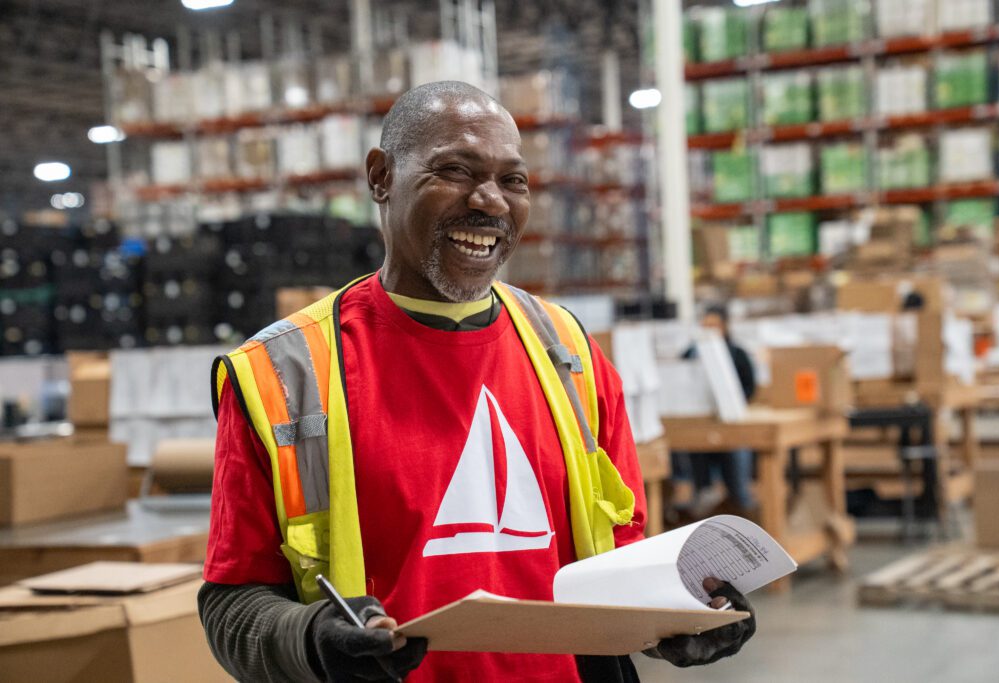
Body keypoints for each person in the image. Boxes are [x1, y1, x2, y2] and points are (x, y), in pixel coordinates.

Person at [198, 81, 755, 683]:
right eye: (455, 171)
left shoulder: (569, 354)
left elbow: (618, 566)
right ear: (381, 177)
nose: (489, 201)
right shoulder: (284, 375)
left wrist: (688, 612)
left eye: (513, 180)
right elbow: (232, 606)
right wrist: (308, 641)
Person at [677, 305, 757, 515]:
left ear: (725, 326)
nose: (709, 330)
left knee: (737, 479)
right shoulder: (691, 353)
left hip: (732, 426)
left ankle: (742, 508)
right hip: (699, 426)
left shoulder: (738, 354)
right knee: (696, 466)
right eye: (706, 325)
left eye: (714, 325)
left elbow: (749, 387)